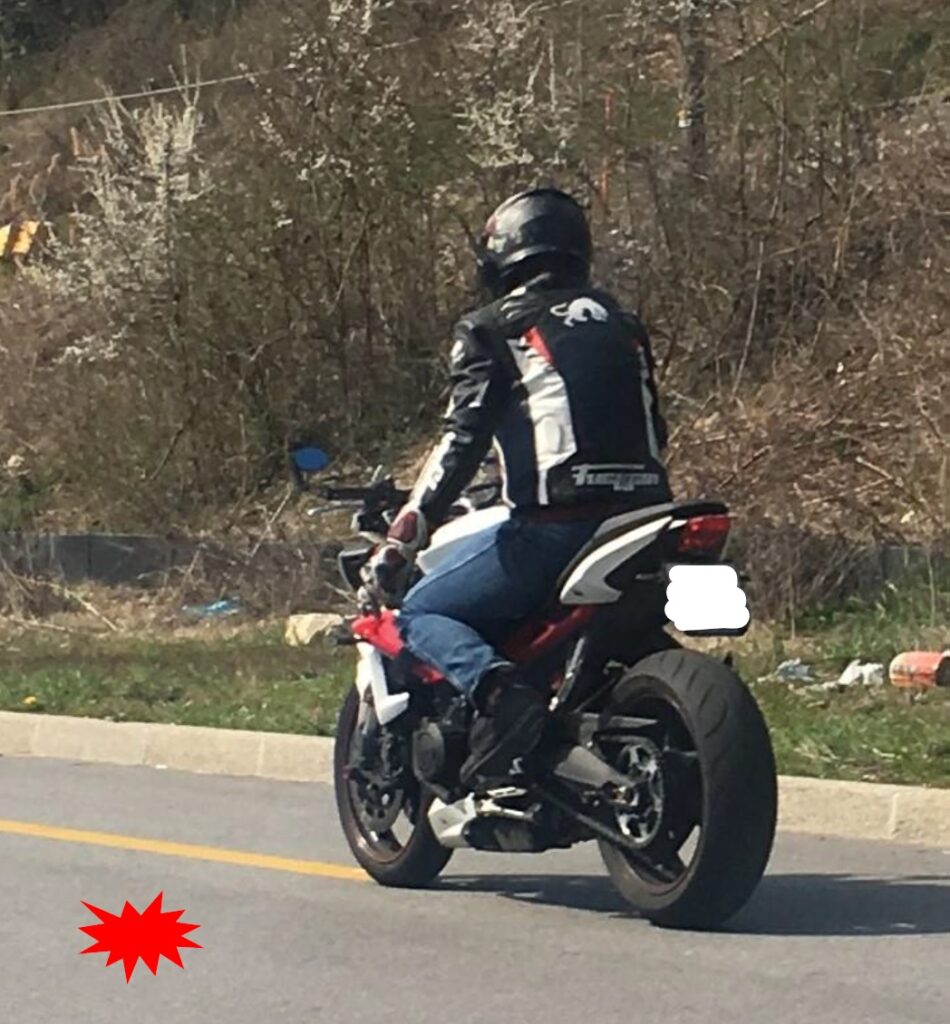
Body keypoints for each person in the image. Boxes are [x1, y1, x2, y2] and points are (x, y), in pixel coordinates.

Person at [360, 187, 671, 786]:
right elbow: (652, 427)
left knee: (419, 611)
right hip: (647, 517)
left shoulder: (493, 328)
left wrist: (405, 535)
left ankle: (503, 697)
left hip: (558, 529)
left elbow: (464, 437)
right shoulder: (623, 325)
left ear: (504, 255)